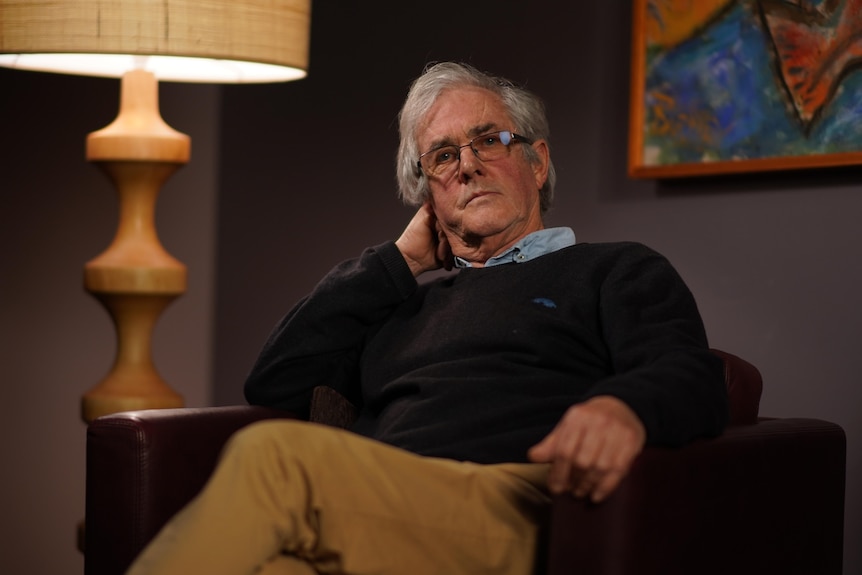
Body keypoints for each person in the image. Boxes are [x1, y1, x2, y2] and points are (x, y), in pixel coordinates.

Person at [127, 61, 729, 575]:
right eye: (443, 156)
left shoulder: (614, 271)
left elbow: (690, 373)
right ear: (430, 198)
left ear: (538, 164)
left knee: (275, 456)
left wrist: (622, 407)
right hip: (379, 512)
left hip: (517, 505)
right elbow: (276, 379)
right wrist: (400, 260)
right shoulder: (400, 302)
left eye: (489, 140)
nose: (467, 166)